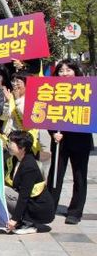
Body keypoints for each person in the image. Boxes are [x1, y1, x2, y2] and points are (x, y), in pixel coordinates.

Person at [47, 59, 94, 225]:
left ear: (75, 71)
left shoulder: (87, 89)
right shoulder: (51, 90)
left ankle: (75, 211)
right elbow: (46, 113)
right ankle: (49, 207)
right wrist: (53, 133)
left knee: (79, 176)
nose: (64, 73)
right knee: (55, 174)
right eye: (61, 70)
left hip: (80, 139)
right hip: (59, 140)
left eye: (68, 70)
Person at [5, 130, 55, 234]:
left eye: (11, 143)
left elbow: (24, 196)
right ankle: (22, 220)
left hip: (39, 208)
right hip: (30, 202)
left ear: (22, 148)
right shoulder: (16, 159)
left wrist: (14, 220)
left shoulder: (29, 166)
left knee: (4, 191)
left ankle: (28, 223)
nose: (8, 145)